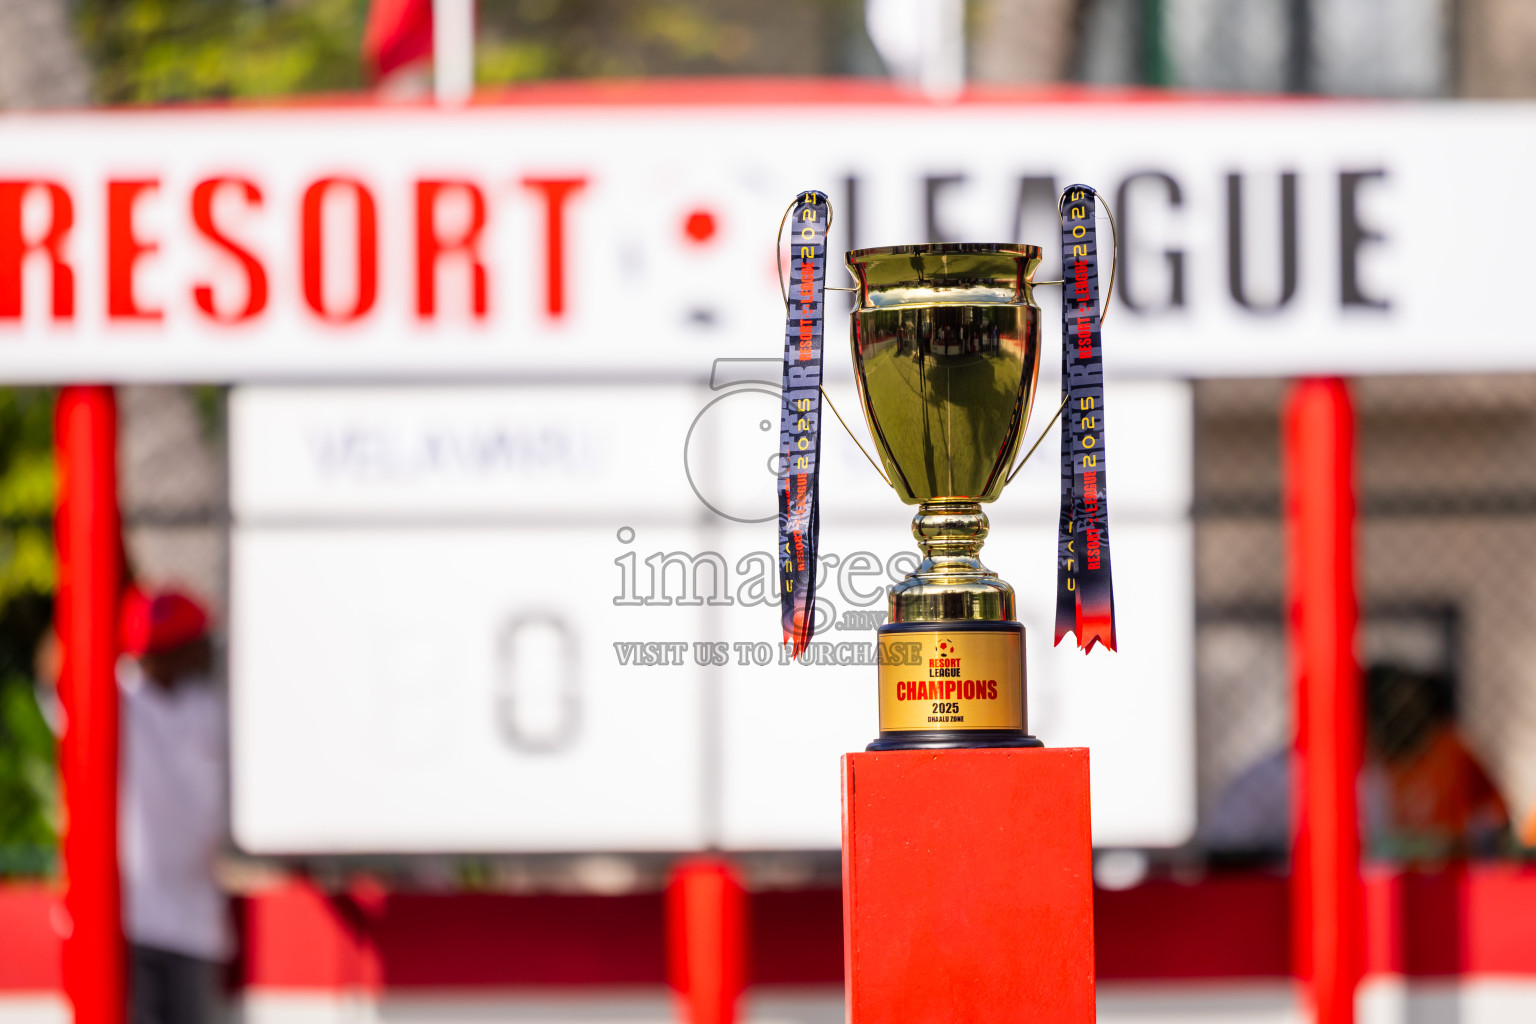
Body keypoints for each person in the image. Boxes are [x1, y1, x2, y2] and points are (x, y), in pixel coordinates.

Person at [118, 587, 230, 1024]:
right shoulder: (116, 699)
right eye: (197, 641)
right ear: (171, 650)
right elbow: (57, 671)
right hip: (133, 919)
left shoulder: (209, 710)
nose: (207, 651)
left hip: (198, 921)